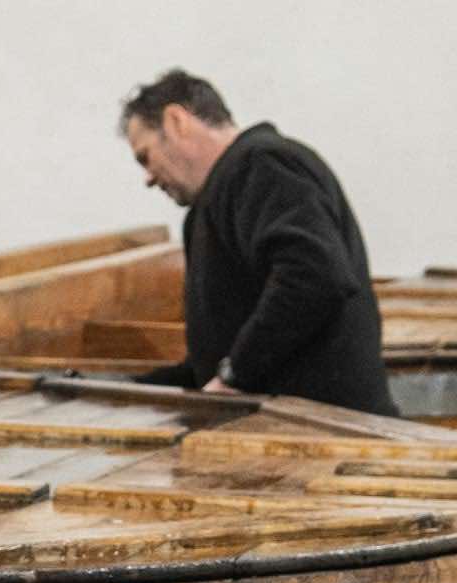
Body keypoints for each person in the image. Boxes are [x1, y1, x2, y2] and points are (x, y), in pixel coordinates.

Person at [118, 69, 392, 415]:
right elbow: (217, 358)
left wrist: (235, 375)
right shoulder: (216, 200)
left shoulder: (260, 165)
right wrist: (129, 388)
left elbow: (313, 276)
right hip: (290, 432)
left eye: (145, 156)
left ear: (177, 121)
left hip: (325, 434)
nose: (148, 178)